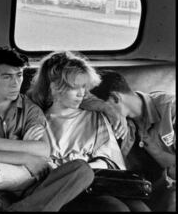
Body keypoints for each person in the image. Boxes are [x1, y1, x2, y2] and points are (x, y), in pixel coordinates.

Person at [0, 46, 98, 212]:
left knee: (82, 170)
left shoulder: (30, 108)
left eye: (19, 75)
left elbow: (43, 149)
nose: (15, 83)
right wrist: (27, 158)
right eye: (7, 77)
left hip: (29, 184)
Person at [27, 51, 149, 212]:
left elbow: (110, 160)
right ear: (55, 88)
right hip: (66, 189)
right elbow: (41, 166)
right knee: (116, 209)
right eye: (75, 88)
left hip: (100, 182)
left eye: (84, 87)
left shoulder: (96, 117)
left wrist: (87, 169)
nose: (82, 94)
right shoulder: (36, 120)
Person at [91, 69, 176, 211]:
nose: (102, 115)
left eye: (103, 109)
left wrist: (158, 154)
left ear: (116, 98)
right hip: (140, 187)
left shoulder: (170, 109)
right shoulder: (120, 124)